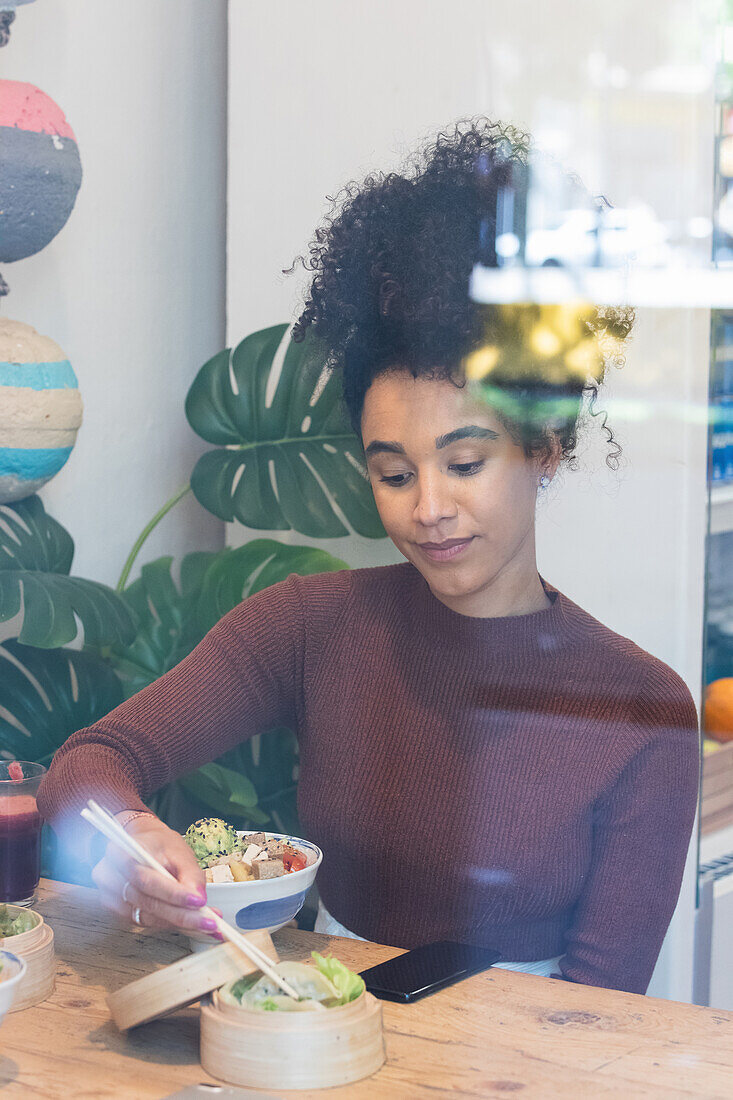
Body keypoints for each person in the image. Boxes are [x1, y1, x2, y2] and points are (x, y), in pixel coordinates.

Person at [37, 119, 699, 995]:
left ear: (543, 449)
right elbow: (92, 759)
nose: (427, 508)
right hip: (314, 1024)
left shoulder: (641, 711)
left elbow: (602, 1018)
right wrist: (128, 843)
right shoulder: (308, 627)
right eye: (392, 472)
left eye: (465, 463)